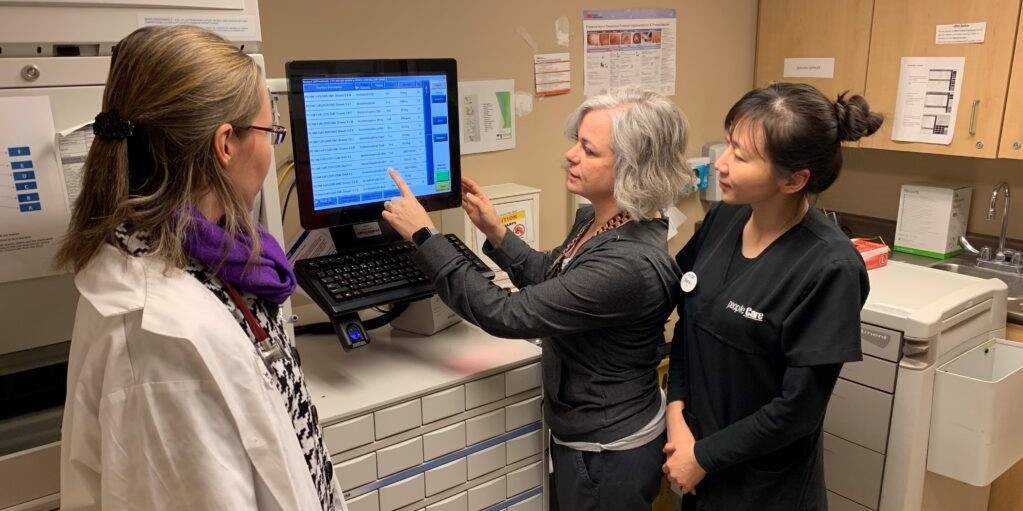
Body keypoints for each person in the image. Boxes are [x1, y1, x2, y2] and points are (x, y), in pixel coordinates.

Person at [55, 25, 345, 511]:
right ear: (225, 144)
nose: (271, 149)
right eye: (270, 132)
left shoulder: (209, 261)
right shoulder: (158, 343)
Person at [381, 86, 695, 510]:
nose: (570, 155)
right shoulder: (598, 220)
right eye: (575, 141)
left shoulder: (628, 263)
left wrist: (424, 237)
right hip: (586, 433)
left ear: (632, 169)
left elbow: (508, 314)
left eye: (588, 149)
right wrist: (496, 231)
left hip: (608, 450)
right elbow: (552, 276)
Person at [662, 82, 883, 510]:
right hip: (697, 466)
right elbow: (689, 316)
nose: (721, 165)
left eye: (741, 157)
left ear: (794, 179)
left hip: (765, 489)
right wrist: (677, 416)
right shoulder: (725, 217)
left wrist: (703, 457)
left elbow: (797, 410)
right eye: (728, 145)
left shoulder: (829, 268)